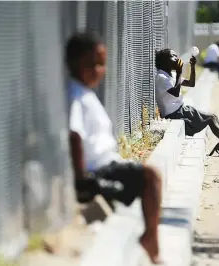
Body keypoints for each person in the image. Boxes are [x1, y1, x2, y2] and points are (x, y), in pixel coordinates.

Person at [65, 32, 163, 264]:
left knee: (149, 176)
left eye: (101, 64)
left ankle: (151, 240)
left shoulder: (85, 93)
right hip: (98, 169)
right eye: (91, 64)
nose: (98, 70)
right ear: (74, 63)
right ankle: (152, 243)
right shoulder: (75, 94)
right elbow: (74, 135)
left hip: (109, 163)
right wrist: (81, 180)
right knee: (152, 178)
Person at [155, 48, 219, 142]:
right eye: (172, 56)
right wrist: (179, 72)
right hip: (174, 114)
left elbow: (191, 83)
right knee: (210, 119)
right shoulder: (161, 77)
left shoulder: (172, 74)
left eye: (176, 56)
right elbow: (175, 93)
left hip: (180, 110)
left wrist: (192, 66)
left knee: (213, 116)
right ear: (164, 61)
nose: (176, 58)